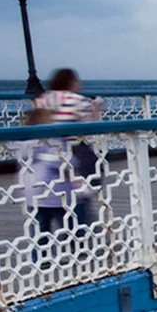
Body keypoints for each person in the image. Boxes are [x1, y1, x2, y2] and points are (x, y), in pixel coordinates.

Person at [30, 68, 102, 229]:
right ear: (71, 82)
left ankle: (43, 244)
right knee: (81, 190)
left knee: (45, 210)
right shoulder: (77, 100)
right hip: (72, 150)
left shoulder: (42, 100)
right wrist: (97, 108)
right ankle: (79, 231)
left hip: (43, 152)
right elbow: (91, 127)